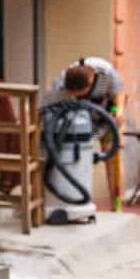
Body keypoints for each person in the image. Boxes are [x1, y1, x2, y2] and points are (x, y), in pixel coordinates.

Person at [55, 57, 124, 209]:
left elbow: (119, 93)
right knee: (79, 158)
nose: (76, 97)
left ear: (91, 83)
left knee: (112, 160)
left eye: (79, 94)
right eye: (73, 94)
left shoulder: (107, 72)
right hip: (79, 122)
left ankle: (117, 206)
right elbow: (53, 105)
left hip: (107, 118)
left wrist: (118, 112)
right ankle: (78, 199)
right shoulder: (61, 81)